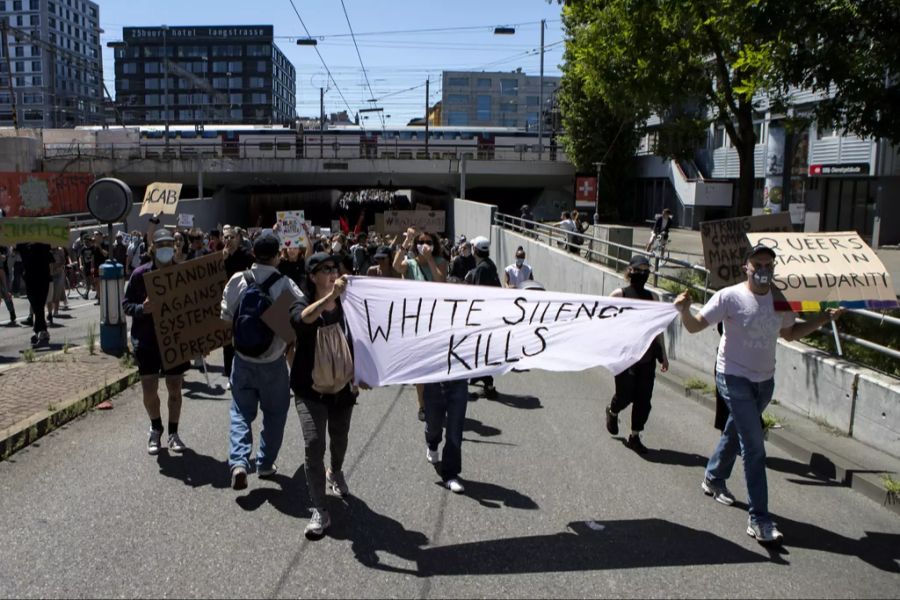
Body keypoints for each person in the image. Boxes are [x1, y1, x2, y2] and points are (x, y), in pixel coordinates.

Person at [674, 244, 843, 544]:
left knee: (736, 429)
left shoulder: (781, 300)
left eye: (768, 265)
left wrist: (823, 319)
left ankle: (713, 478)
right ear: (746, 268)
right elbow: (696, 326)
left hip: (765, 382)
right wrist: (685, 311)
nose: (764, 270)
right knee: (754, 446)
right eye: (758, 265)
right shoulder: (730, 297)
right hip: (732, 376)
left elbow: (789, 333)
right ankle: (759, 519)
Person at [221, 229, 305, 490]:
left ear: (253, 253)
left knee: (240, 412)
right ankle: (266, 463)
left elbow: (226, 319)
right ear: (278, 256)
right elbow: (299, 321)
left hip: (243, 360)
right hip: (273, 364)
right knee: (276, 414)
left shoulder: (237, 280)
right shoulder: (285, 284)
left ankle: (238, 462)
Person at [289, 253, 358, 539]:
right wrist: (328, 299)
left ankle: (336, 471)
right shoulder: (302, 304)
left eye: (334, 268)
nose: (332, 273)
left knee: (339, 438)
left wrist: (362, 374)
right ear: (313, 276)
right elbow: (302, 320)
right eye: (325, 269)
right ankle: (320, 509)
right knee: (314, 443)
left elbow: (362, 337)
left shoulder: (348, 306)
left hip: (342, 388)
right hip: (309, 390)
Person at [122, 228, 191, 455]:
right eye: (160, 245)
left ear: (175, 247)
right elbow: (126, 305)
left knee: (174, 387)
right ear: (153, 248)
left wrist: (198, 340)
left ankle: (173, 432)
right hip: (147, 340)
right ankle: (155, 427)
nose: (165, 249)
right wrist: (143, 308)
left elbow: (194, 309)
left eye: (169, 245)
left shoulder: (182, 274)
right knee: (149, 388)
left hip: (174, 339)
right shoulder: (139, 275)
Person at [604, 256, 668, 454]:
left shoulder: (653, 298)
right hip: (624, 357)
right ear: (629, 271)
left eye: (645, 269)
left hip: (647, 357)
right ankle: (613, 411)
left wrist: (663, 354)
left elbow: (658, 329)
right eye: (638, 269)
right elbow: (604, 322)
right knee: (625, 395)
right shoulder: (619, 295)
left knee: (643, 399)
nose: (642, 273)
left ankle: (635, 436)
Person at [393, 228, 448, 420]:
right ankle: (422, 405)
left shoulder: (441, 262)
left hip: (435, 321)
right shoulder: (410, 264)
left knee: (435, 365)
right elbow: (396, 266)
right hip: (415, 321)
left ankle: (437, 399)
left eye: (428, 242)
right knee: (419, 367)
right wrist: (406, 241)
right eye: (421, 242)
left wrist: (430, 259)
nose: (424, 244)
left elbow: (441, 281)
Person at [465, 236, 502, 400]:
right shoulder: (489, 264)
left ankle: (489, 386)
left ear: (475, 249)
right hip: (491, 314)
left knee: (481, 349)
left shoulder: (481, 269)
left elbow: (479, 295)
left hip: (484, 317)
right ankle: (479, 374)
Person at [222, 226, 255, 390]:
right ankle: (230, 375)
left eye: (231, 237)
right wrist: (222, 259)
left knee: (243, 338)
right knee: (227, 341)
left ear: (238, 238)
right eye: (226, 237)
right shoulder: (220, 256)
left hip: (243, 301)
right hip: (226, 302)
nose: (228, 240)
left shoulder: (246, 255)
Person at [19, 243, 52, 347]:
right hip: (32, 279)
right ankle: (40, 331)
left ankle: (41, 332)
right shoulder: (25, 245)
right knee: (37, 306)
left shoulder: (43, 244)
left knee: (38, 305)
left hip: (41, 278)